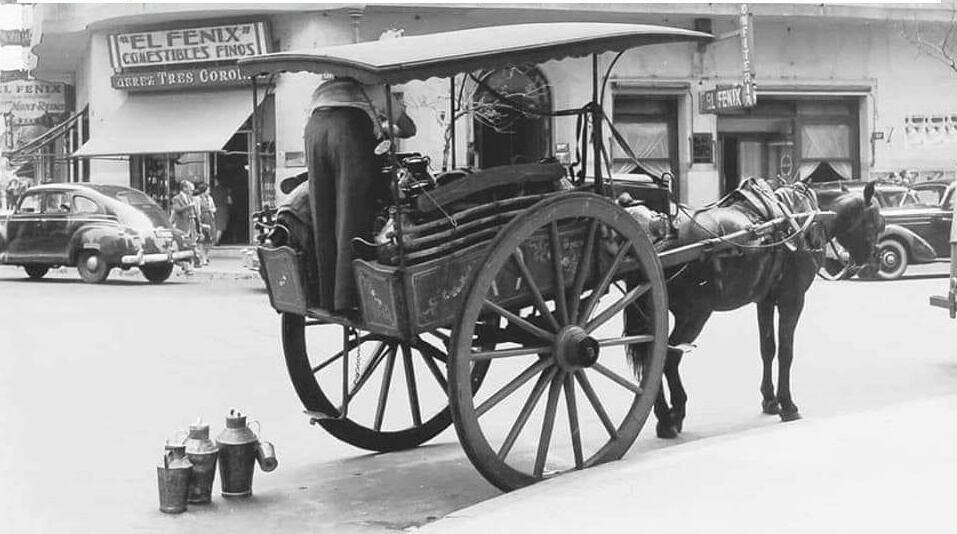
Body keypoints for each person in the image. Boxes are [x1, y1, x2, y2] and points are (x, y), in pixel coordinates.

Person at [305, 76, 416, 310]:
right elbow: (408, 129)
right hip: (347, 131)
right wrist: (386, 126)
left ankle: (327, 296)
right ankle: (348, 298)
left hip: (314, 132)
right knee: (352, 211)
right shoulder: (374, 87)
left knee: (323, 213)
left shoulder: (323, 89)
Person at [170, 180, 199, 274]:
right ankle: (186, 265)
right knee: (183, 245)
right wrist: (188, 206)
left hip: (190, 223)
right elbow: (177, 209)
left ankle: (189, 264)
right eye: (189, 188)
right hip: (181, 224)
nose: (191, 190)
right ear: (184, 188)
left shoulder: (190, 198)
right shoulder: (176, 198)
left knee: (191, 244)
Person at [194, 182, 217, 267]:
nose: (209, 191)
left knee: (210, 239)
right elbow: (197, 211)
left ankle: (205, 255)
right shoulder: (197, 199)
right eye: (208, 190)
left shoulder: (210, 198)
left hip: (210, 219)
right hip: (202, 218)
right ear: (204, 190)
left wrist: (212, 210)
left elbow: (214, 208)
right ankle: (203, 258)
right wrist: (198, 221)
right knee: (202, 239)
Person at [210, 176, 231, 245]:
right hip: (223, 209)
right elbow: (230, 201)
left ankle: (214, 240)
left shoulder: (212, 191)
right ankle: (216, 240)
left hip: (213, 209)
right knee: (220, 226)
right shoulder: (225, 190)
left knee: (214, 225)